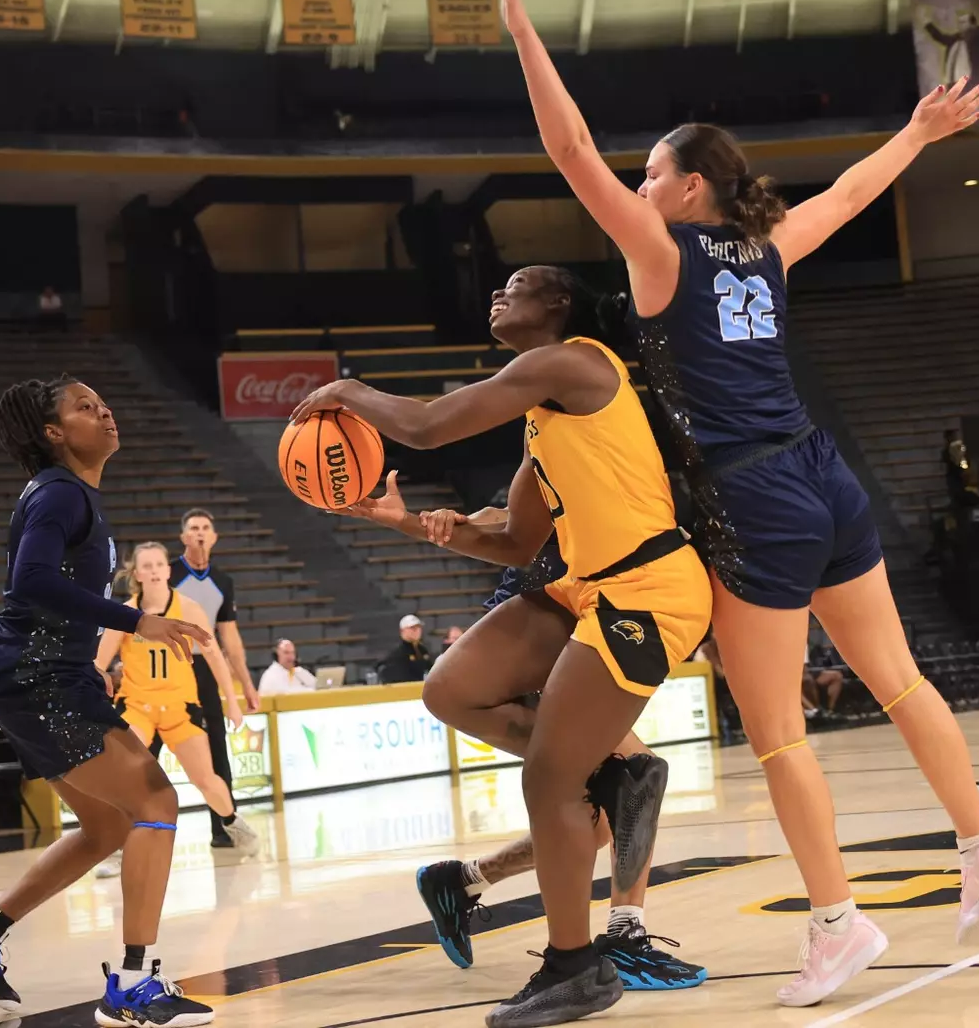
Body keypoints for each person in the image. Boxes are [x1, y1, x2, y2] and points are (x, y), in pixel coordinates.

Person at [485, 0, 979, 1010]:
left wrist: (517, 20)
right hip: (825, 471)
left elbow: (567, 144)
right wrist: (918, 132)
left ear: (687, 187)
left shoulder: (661, 251)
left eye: (650, 175)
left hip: (751, 494)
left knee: (777, 732)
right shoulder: (767, 246)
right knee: (900, 677)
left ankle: (838, 924)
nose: (636, 187)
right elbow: (853, 192)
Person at [293, 260, 712, 1026]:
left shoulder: (573, 362)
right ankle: (605, 776)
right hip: (586, 586)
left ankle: (575, 967)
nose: (495, 295)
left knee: (548, 780)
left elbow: (425, 426)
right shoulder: (544, 413)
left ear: (557, 302)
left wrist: (346, 389)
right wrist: (408, 523)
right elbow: (518, 541)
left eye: (513, 286)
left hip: (648, 588)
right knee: (451, 689)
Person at [0, 376, 216, 1027]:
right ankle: (133, 985)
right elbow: (30, 580)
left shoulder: (66, 492)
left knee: (109, 825)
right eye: (85, 407)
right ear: (54, 432)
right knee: (156, 802)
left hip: (39, 675)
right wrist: (137, 621)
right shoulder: (60, 491)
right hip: (40, 677)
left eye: (103, 402)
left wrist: (91, 654)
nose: (105, 410)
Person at [397, 512, 704, 994]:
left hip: (578, 623)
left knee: (596, 823)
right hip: (539, 634)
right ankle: (624, 935)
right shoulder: (584, 476)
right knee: (633, 777)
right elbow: (510, 513)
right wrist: (435, 521)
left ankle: (462, 881)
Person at [96, 542, 247, 847]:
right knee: (123, 770)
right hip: (138, 706)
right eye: (147, 566)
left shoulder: (188, 609)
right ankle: (117, 841)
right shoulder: (124, 615)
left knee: (206, 779)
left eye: (158, 565)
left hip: (179, 707)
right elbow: (98, 665)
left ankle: (232, 822)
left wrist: (232, 702)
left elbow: (215, 656)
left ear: (168, 570)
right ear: (137, 574)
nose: (153, 571)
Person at [171, 508, 262, 848]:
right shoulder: (168, 574)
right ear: (183, 536)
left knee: (217, 750)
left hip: (205, 670)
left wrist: (246, 685)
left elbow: (231, 640)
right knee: (151, 748)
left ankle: (224, 828)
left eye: (205, 528)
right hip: (171, 668)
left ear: (214, 537)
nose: (199, 533)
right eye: (193, 527)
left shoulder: (223, 582)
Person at [377, 615, 433, 684]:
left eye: (418, 627)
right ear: (402, 631)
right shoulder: (398, 653)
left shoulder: (422, 650)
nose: (416, 630)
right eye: (412, 628)